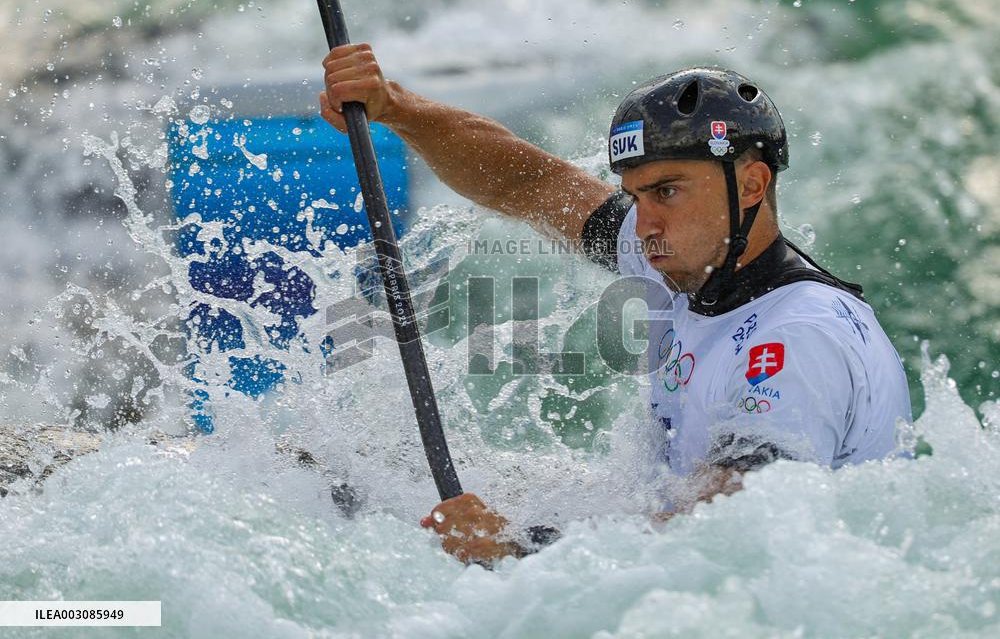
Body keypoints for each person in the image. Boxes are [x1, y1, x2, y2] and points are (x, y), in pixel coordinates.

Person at [319, 43, 913, 565]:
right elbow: (527, 184)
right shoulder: (686, 258)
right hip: (670, 556)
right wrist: (395, 107)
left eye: (668, 192)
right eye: (634, 195)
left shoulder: (799, 337)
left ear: (752, 185)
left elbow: (722, 537)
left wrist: (522, 546)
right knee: (354, 477)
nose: (644, 221)